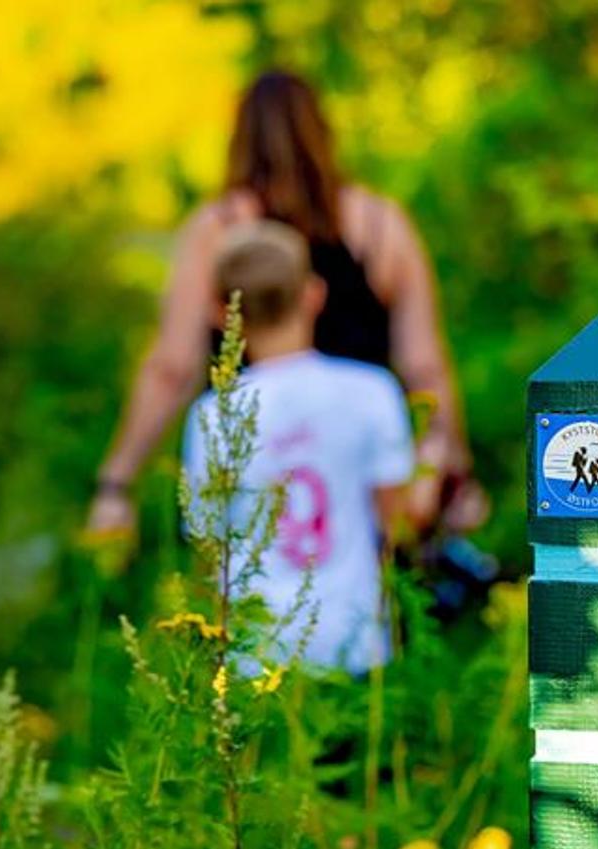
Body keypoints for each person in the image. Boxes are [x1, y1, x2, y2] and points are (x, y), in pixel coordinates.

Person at [88, 70, 480, 534]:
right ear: (323, 132)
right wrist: (454, 469)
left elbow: (173, 366)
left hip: (251, 480)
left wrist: (117, 483)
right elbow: (425, 366)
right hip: (363, 480)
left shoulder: (217, 229)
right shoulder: (382, 226)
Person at [183, 219, 413, 674]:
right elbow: (399, 525)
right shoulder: (371, 390)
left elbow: (207, 547)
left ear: (219, 312)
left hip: (256, 652)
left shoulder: (213, 414)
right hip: (355, 641)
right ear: (313, 294)